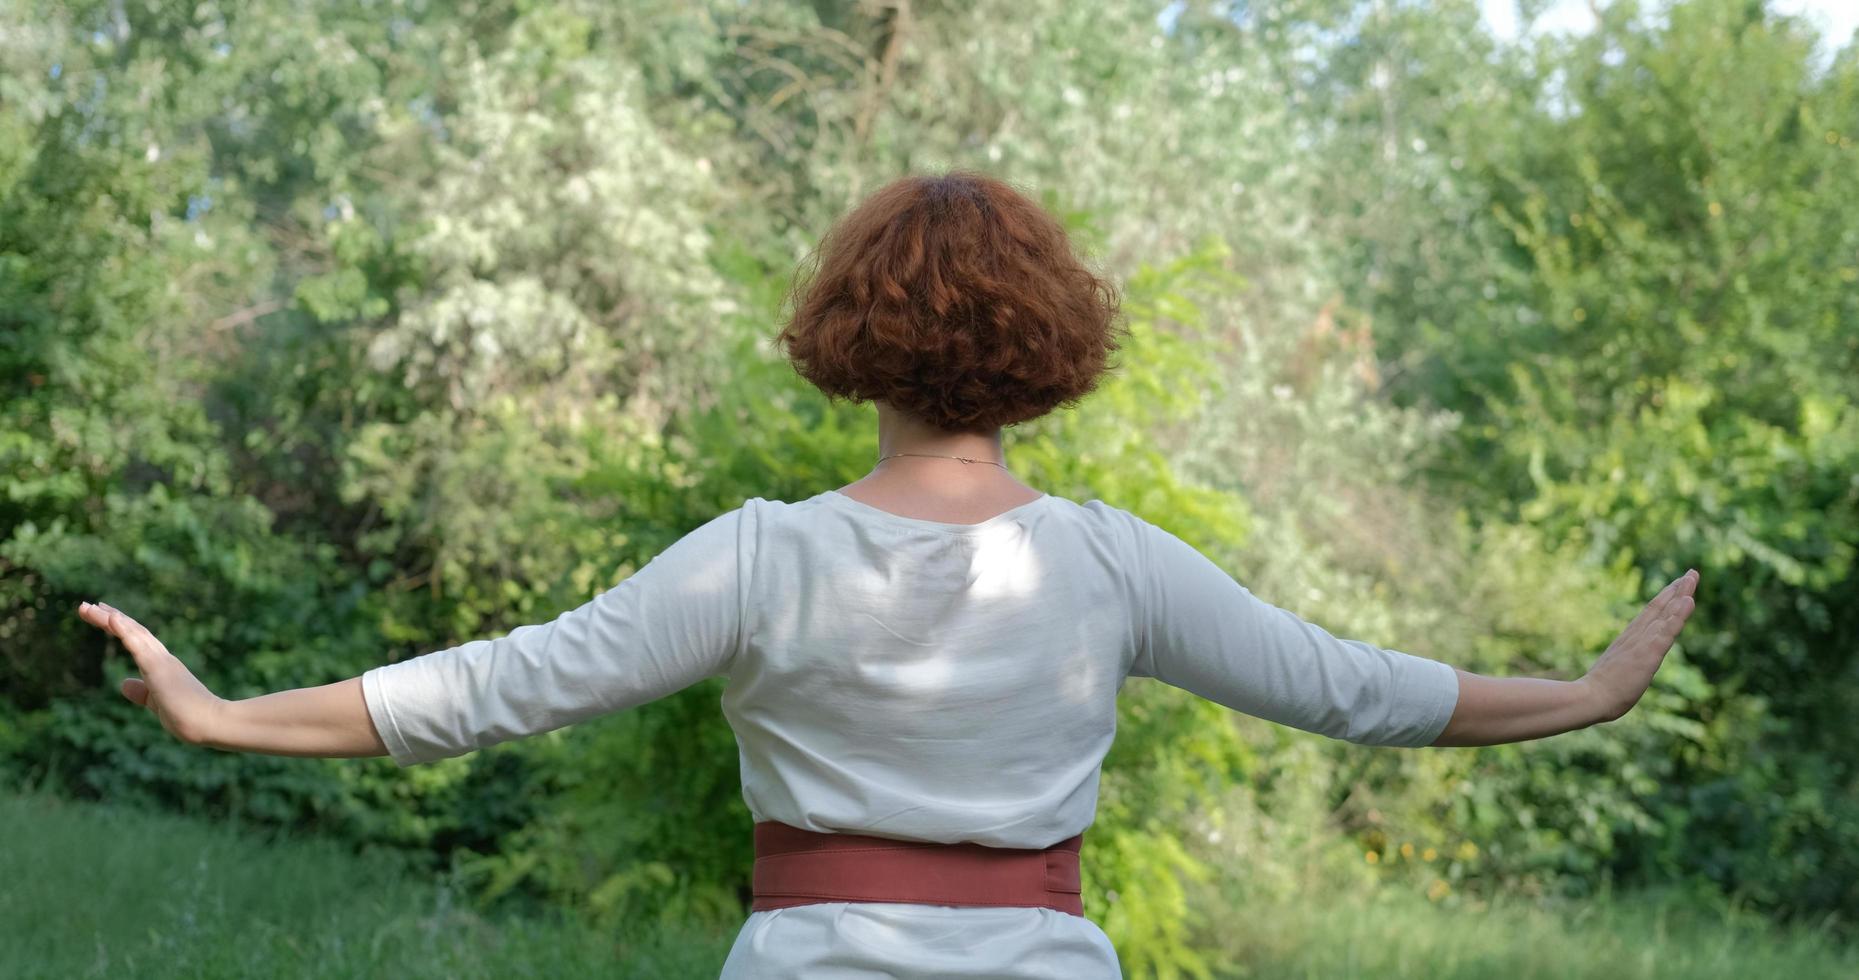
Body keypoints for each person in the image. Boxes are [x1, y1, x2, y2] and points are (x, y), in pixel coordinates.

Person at [74, 170, 1700, 978]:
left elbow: (497, 687)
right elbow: (1361, 692)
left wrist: (226, 716)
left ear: (852, 342)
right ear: (1050, 347)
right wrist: (1588, 691)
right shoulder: (1111, 565)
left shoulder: (763, 556)